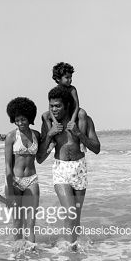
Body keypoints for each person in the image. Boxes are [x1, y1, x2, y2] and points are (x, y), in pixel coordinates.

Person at [37, 86, 100, 249]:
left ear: (66, 105)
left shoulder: (82, 120)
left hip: (80, 169)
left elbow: (97, 148)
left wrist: (79, 134)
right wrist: (50, 134)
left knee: (75, 216)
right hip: (61, 170)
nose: (54, 109)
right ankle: (71, 249)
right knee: (70, 211)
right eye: (51, 106)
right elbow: (40, 158)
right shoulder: (48, 121)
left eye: (58, 106)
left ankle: (75, 252)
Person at [5, 97, 40, 248]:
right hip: (14, 181)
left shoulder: (36, 135)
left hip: (32, 180)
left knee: (31, 220)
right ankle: (18, 252)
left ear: (30, 118)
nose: (19, 123)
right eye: (16, 120)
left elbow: (41, 157)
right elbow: (7, 165)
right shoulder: (11, 137)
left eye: (23, 119)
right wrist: (10, 187)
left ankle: (32, 252)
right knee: (17, 220)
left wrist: (51, 142)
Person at [42, 62, 87, 152]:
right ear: (58, 79)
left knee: (82, 113)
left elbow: (76, 105)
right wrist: (55, 122)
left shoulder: (72, 89)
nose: (70, 80)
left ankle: (82, 142)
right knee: (45, 115)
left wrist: (72, 121)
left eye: (71, 77)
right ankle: (52, 141)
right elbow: (50, 108)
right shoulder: (55, 91)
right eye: (67, 78)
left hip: (71, 111)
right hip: (60, 112)